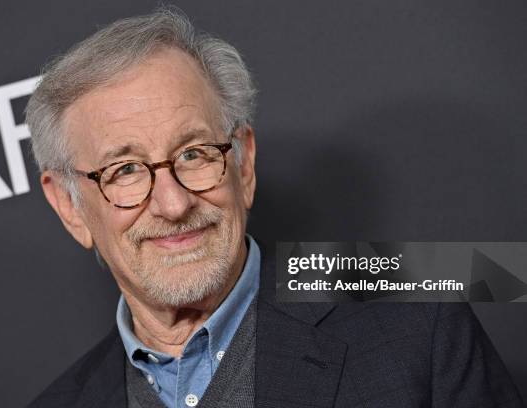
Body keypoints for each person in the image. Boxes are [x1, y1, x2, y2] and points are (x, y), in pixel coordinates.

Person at [25, 7, 523, 408]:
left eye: (195, 154)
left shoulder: (419, 320)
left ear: (244, 165)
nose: (174, 204)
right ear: (69, 206)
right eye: (126, 170)